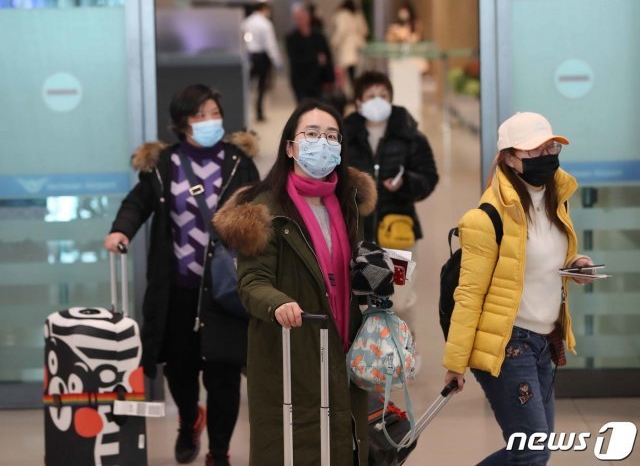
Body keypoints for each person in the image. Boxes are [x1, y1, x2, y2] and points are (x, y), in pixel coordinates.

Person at [212, 99, 377, 465]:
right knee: (294, 448)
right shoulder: (263, 208)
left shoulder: (348, 201)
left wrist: (378, 276)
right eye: (312, 134)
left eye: (331, 136)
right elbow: (252, 281)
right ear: (290, 146)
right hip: (290, 351)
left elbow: (350, 268)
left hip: (343, 347)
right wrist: (278, 303)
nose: (323, 142)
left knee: (343, 446)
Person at [104, 84, 259, 466]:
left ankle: (219, 451)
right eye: (200, 115)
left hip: (223, 291)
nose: (210, 121)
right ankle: (190, 420)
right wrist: (121, 229)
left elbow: (260, 210)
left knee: (223, 373)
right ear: (181, 123)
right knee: (179, 370)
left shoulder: (238, 162)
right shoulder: (164, 164)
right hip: (176, 291)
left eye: (214, 112)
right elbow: (137, 202)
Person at [442, 112, 595, 465]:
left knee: (531, 450)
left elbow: (543, 262)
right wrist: (455, 363)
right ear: (509, 158)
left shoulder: (558, 200)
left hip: (544, 342)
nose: (547, 155)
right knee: (533, 451)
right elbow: (468, 293)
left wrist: (575, 267)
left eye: (551, 146)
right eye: (534, 150)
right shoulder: (486, 218)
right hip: (507, 344)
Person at [343, 70, 438, 331]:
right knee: (361, 298)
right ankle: (366, 358)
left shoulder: (410, 135)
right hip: (357, 234)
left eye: (383, 95)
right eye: (371, 95)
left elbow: (429, 177)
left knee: (400, 299)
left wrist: (405, 183)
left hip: (399, 233)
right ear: (358, 102)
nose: (377, 101)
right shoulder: (344, 137)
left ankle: (405, 352)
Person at [241, 2, 283, 122]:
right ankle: (259, 113)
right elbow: (270, 44)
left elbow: (243, 40)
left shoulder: (246, 22)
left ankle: (243, 111)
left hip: (250, 56)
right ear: (264, 9)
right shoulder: (265, 23)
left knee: (246, 85)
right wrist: (276, 60)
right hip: (262, 57)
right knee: (261, 86)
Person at [285, 2, 335, 102]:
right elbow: (295, 59)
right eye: (298, 18)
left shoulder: (319, 37)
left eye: (302, 18)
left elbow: (327, 56)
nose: (300, 21)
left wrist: (330, 77)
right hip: (300, 81)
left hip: (318, 80)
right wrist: (316, 59)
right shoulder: (291, 38)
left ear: (308, 18)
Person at [329, 0, 369, 94]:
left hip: (347, 48)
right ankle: (355, 93)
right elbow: (365, 31)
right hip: (358, 46)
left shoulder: (341, 16)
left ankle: (345, 94)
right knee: (355, 74)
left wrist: (334, 43)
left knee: (343, 74)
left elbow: (341, 31)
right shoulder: (358, 16)